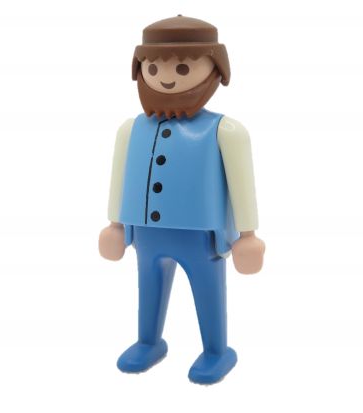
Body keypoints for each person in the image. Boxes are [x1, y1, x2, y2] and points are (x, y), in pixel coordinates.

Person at [99, 15, 265, 384]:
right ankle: (148, 341)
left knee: (208, 291)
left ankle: (215, 350)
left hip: (200, 234)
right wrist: (114, 224)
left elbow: (242, 181)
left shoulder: (225, 130)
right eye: (153, 67)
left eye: (184, 67)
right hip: (145, 232)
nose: (166, 77)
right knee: (149, 287)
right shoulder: (130, 129)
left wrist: (248, 235)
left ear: (216, 68)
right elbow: (118, 176)